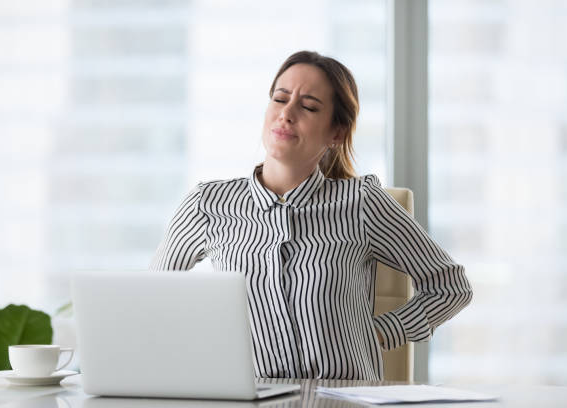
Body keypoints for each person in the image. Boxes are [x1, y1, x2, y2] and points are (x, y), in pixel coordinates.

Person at [150, 50, 472, 381]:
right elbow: (151, 301)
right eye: (280, 98)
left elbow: (450, 286)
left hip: (343, 402)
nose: (286, 114)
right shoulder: (207, 204)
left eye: (308, 106)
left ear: (336, 133)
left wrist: (380, 332)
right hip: (248, 399)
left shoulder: (362, 203)